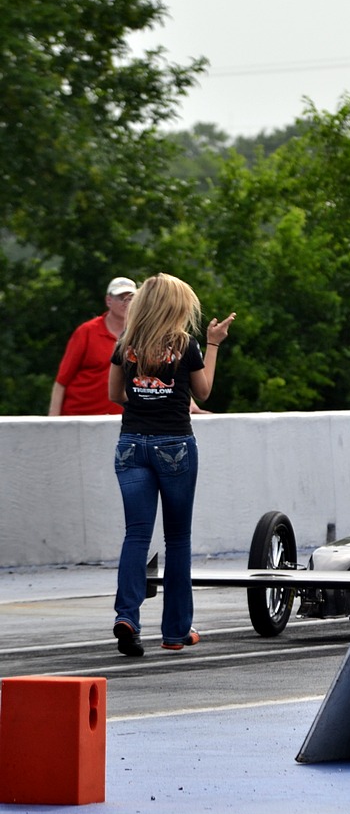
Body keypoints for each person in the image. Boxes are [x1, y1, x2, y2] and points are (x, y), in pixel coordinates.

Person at [108, 274, 235, 656]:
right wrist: (213, 344)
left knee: (136, 535)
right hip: (175, 445)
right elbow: (204, 391)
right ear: (177, 307)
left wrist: (144, 393)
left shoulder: (125, 344)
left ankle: (127, 616)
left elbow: (115, 395)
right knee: (177, 539)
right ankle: (175, 632)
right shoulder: (186, 345)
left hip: (131, 445)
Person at [49, 277, 136, 416]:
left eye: (131, 299)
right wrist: (53, 420)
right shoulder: (87, 331)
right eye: (121, 298)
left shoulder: (140, 335)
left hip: (121, 419)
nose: (126, 303)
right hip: (80, 417)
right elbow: (61, 381)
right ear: (109, 300)